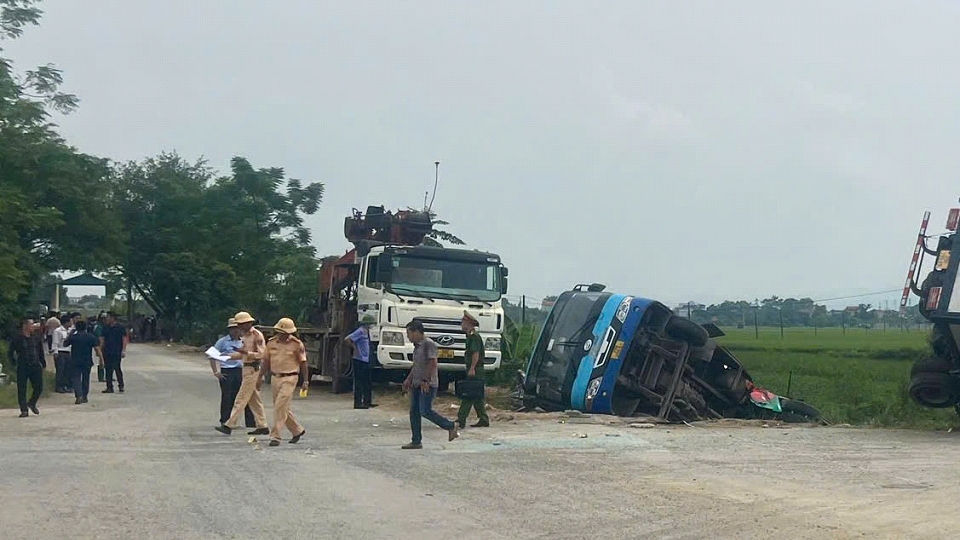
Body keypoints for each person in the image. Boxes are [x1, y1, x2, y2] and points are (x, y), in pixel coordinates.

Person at [402, 320, 458, 449]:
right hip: (416, 383)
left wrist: (426, 380)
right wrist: (408, 380)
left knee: (425, 411)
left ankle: (450, 425)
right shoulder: (417, 347)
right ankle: (416, 440)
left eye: (409, 333)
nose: (408, 337)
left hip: (427, 384)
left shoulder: (428, 344)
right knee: (414, 412)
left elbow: (432, 363)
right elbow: (416, 366)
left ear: (416, 332)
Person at [257, 318, 308, 447]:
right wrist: (259, 378)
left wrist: (306, 380)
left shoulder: (297, 344)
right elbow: (265, 362)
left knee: (280, 405)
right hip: (275, 377)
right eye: (281, 332)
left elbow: (303, 363)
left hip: (290, 377)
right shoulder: (271, 343)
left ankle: (275, 436)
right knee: (282, 407)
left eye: (287, 332)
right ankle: (297, 430)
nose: (284, 335)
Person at [216, 311, 269, 435]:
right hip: (246, 368)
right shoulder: (244, 335)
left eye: (240, 324)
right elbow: (242, 354)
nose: (238, 327)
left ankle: (229, 424)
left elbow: (262, 354)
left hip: (253, 369)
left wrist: (246, 353)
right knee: (254, 399)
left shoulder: (257, 335)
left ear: (248, 323)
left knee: (241, 398)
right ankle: (262, 425)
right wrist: (227, 356)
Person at [210, 318, 256, 429]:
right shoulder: (223, 341)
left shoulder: (244, 341)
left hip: (241, 370)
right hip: (227, 370)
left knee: (244, 396)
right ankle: (225, 421)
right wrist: (216, 371)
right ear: (229, 330)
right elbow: (212, 355)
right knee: (227, 397)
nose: (235, 331)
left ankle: (250, 422)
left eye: (237, 328)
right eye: (232, 329)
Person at [456, 311, 490, 428]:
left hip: (476, 369)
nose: (462, 324)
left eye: (463, 322)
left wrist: (472, 368)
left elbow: (475, 354)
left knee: (469, 394)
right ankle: (483, 418)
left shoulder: (474, 337)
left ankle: (461, 419)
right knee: (477, 395)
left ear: (468, 323)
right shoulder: (471, 336)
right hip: (476, 368)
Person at [8, 318, 45, 417]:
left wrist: (43, 363)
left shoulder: (36, 338)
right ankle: (24, 410)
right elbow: (10, 352)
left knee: (39, 387)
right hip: (23, 365)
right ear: (25, 326)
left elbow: (40, 351)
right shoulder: (17, 338)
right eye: (32, 325)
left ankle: (32, 403)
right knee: (22, 388)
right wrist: (13, 362)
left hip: (35, 365)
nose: (34, 326)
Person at [65, 320, 101, 405]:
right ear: (86, 327)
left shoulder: (74, 337)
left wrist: (71, 334)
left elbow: (65, 344)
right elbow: (97, 348)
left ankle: (79, 395)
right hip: (87, 361)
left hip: (75, 361)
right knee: (86, 378)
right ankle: (84, 396)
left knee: (76, 378)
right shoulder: (91, 337)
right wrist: (101, 359)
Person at [345, 314, 376, 409]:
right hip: (359, 359)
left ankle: (367, 401)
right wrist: (355, 349)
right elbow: (347, 339)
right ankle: (358, 403)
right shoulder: (360, 331)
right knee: (359, 382)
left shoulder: (366, 332)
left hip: (365, 359)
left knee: (367, 381)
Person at [100, 311, 128, 393]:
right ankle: (109, 387)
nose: (107, 318)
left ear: (112, 318)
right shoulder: (105, 327)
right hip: (107, 351)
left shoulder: (120, 327)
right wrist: (100, 350)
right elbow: (102, 338)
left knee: (117, 368)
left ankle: (121, 385)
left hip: (116, 351)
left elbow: (124, 339)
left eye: (108, 317)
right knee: (108, 369)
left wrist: (123, 350)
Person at [51, 314, 74, 393]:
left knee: (68, 370)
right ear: (66, 322)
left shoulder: (71, 330)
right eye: (70, 321)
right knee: (60, 370)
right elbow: (55, 342)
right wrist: (55, 352)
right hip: (61, 352)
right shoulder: (58, 331)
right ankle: (59, 386)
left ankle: (66, 385)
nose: (72, 323)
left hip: (69, 352)